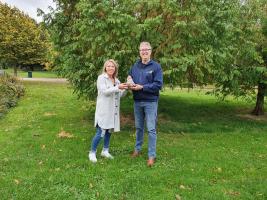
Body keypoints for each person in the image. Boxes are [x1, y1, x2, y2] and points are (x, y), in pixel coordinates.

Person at [128, 41, 163, 167]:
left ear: (150, 51)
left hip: (150, 102)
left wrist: (142, 87)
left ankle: (151, 155)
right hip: (137, 102)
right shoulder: (135, 66)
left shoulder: (156, 67)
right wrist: (129, 81)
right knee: (138, 127)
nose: (144, 51)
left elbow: (158, 85)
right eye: (141, 50)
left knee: (151, 129)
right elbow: (129, 76)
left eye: (146, 49)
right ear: (139, 52)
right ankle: (137, 150)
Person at [88, 59, 128, 163]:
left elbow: (119, 95)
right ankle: (92, 152)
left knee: (109, 131)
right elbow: (105, 92)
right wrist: (117, 87)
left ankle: (105, 151)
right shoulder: (101, 78)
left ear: (115, 69)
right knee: (100, 132)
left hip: (113, 111)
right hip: (104, 110)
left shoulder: (117, 80)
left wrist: (125, 88)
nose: (110, 68)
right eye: (108, 66)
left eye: (113, 66)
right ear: (105, 67)